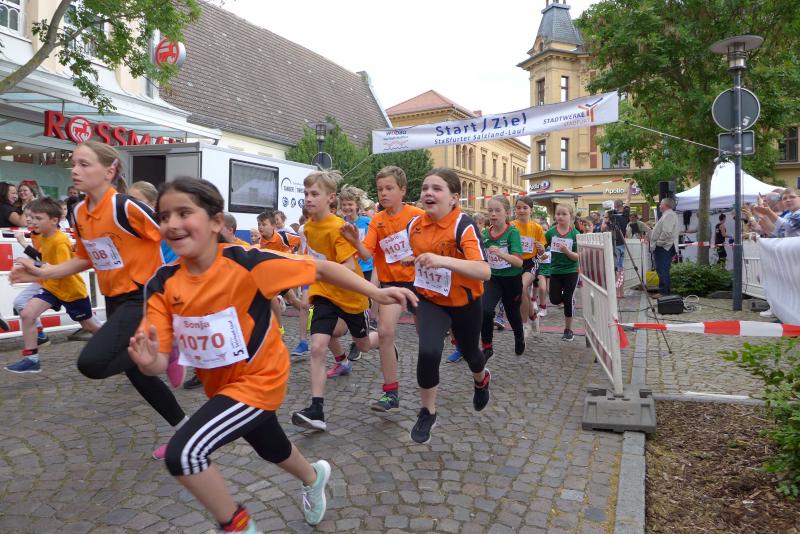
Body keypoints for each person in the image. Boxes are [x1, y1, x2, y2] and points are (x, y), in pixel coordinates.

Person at [127, 178, 412, 530]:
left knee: (184, 453)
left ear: (216, 222)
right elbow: (158, 359)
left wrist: (377, 294)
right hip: (221, 388)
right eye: (164, 216)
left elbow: (322, 268)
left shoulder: (248, 262)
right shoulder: (161, 284)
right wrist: (149, 361)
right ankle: (313, 477)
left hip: (260, 380)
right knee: (269, 446)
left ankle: (239, 526)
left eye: (184, 213)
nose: (172, 223)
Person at [10, 141, 187, 460]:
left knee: (91, 363)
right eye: (73, 163)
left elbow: (177, 235)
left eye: (84, 164)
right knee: (138, 372)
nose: (75, 170)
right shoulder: (79, 212)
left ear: (109, 170)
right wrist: (40, 272)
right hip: (115, 299)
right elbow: (85, 258)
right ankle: (186, 431)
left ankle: (167, 344)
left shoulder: (126, 207)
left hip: (144, 296)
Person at [291, 170, 385, 431]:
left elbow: (348, 267)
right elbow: (309, 260)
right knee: (317, 346)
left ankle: (383, 339)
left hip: (351, 296)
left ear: (330, 198)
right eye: (306, 194)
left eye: (314, 194)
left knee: (363, 345)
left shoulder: (337, 228)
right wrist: (305, 283)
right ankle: (317, 410)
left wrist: (319, 275)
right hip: (325, 295)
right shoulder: (307, 228)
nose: (308, 198)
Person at [405, 168, 491, 444]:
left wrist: (443, 260)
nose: (428, 193)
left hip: (465, 302)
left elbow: (484, 271)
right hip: (431, 300)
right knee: (428, 351)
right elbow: (419, 256)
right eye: (425, 188)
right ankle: (427, 411)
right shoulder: (414, 225)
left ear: (454, 198)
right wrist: (415, 261)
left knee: (471, 353)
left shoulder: (463, 225)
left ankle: (481, 379)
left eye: (436, 188)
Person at [341, 165, 425, 411]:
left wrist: (417, 256)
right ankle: (391, 393)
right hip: (392, 285)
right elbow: (367, 253)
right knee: (386, 332)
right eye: (380, 189)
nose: (384, 193)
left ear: (403, 190)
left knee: (427, 338)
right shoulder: (377, 220)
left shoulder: (418, 215)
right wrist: (354, 241)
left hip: (421, 283)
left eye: (389, 188)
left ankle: (430, 378)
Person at [5, 198, 102, 373]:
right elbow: (45, 261)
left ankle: (118, 349)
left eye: (38, 218)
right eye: (31, 217)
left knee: (90, 326)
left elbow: (62, 270)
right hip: (52, 288)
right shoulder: (43, 236)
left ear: (54, 220)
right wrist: (30, 265)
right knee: (27, 313)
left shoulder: (60, 241)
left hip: (71, 291)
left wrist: (30, 269)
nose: (33, 221)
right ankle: (31, 359)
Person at [481, 196, 525, 357]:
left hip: (512, 280)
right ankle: (487, 347)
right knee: (485, 310)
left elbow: (518, 262)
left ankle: (519, 337)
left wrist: (500, 253)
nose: (493, 214)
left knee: (512, 314)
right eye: (490, 210)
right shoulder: (484, 234)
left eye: (497, 210)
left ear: (506, 213)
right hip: (493, 278)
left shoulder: (513, 233)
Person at [338, 185, 375, 362]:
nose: (347, 208)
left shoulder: (367, 222)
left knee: (361, 306)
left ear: (357, 205)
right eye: (344, 204)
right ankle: (356, 334)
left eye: (350, 204)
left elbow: (371, 246)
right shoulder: (339, 224)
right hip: (348, 269)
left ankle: (357, 341)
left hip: (365, 269)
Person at [512, 195, 546, 335]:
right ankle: (533, 317)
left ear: (531, 210)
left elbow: (542, 250)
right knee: (523, 291)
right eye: (518, 208)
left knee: (522, 287)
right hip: (515, 262)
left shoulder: (537, 228)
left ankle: (524, 325)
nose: (521, 211)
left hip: (531, 262)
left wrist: (541, 248)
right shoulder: (511, 226)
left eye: (525, 208)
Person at [546, 204, 581, 341]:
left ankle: (568, 330)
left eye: (564, 214)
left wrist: (566, 251)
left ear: (571, 217)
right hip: (555, 270)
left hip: (571, 270)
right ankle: (569, 300)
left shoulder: (575, 234)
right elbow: (543, 248)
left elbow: (578, 257)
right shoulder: (550, 233)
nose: (560, 216)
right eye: (558, 214)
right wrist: (541, 251)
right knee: (554, 299)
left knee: (567, 298)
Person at [129, 181, 178, 264]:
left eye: (136, 202)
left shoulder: (167, 229)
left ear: (153, 204)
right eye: (127, 202)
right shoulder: (126, 227)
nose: (130, 206)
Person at [649, 197, 680, 298]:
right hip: (666, 246)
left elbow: (667, 232)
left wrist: (658, 244)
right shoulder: (668, 215)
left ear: (665, 205)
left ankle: (663, 292)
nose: (659, 205)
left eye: (661, 203)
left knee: (662, 269)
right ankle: (664, 291)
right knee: (662, 269)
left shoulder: (669, 215)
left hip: (664, 247)